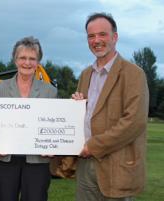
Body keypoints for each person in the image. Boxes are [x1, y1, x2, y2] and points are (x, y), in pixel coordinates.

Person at [72, 12, 149, 201]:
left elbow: (134, 122)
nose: (96, 40)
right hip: (85, 166)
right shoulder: (85, 75)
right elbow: (86, 116)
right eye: (91, 36)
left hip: (117, 166)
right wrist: (75, 107)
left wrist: (93, 146)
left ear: (115, 37)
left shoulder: (134, 74)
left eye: (102, 34)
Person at [0, 36, 57, 201]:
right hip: (3, 159)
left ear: (38, 62)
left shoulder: (50, 92)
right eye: (23, 58)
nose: (27, 63)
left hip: (38, 160)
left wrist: (53, 145)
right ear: (15, 60)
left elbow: (54, 125)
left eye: (32, 58)